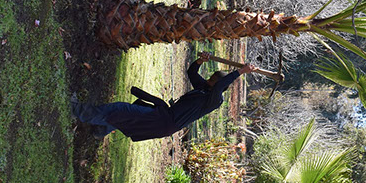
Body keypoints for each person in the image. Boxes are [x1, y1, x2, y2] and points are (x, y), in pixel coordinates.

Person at [71, 52, 254, 141]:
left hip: (164, 121)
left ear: (219, 86)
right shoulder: (204, 89)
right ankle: (100, 130)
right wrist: (200, 61)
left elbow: (220, 85)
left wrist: (241, 72)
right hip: (164, 119)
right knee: (127, 116)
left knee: (119, 110)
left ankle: (76, 110)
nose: (208, 80)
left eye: (212, 80)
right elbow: (191, 73)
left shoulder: (215, 100)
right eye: (211, 77)